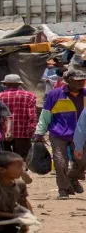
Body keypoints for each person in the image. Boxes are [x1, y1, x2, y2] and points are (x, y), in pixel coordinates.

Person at [35, 70, 86, 199]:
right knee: (60, 162)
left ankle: (72, 178)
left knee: (82, 160)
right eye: (77, 80)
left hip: (80, 134)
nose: (81, 82)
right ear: (68, 81)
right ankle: (63, 189)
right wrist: (39, 133)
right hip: (58, 133)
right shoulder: (55, 94)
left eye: (82, 80)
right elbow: (45, 115)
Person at [0, 74, 37, 159]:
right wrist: (32, 131)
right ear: (19, 84)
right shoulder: (30, 96)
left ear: (5, 84)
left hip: (3, 132)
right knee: (22, 158)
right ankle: (21, 171)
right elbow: (32, 116)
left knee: (5, 158)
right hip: (23, 132)